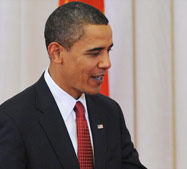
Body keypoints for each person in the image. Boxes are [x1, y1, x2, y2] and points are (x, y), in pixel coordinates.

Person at [0, 2, 146, 169]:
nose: (107, 63)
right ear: (57, 53)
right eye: (95, 53)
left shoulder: (110, 111)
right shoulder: (13, 120)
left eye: (108, 51)